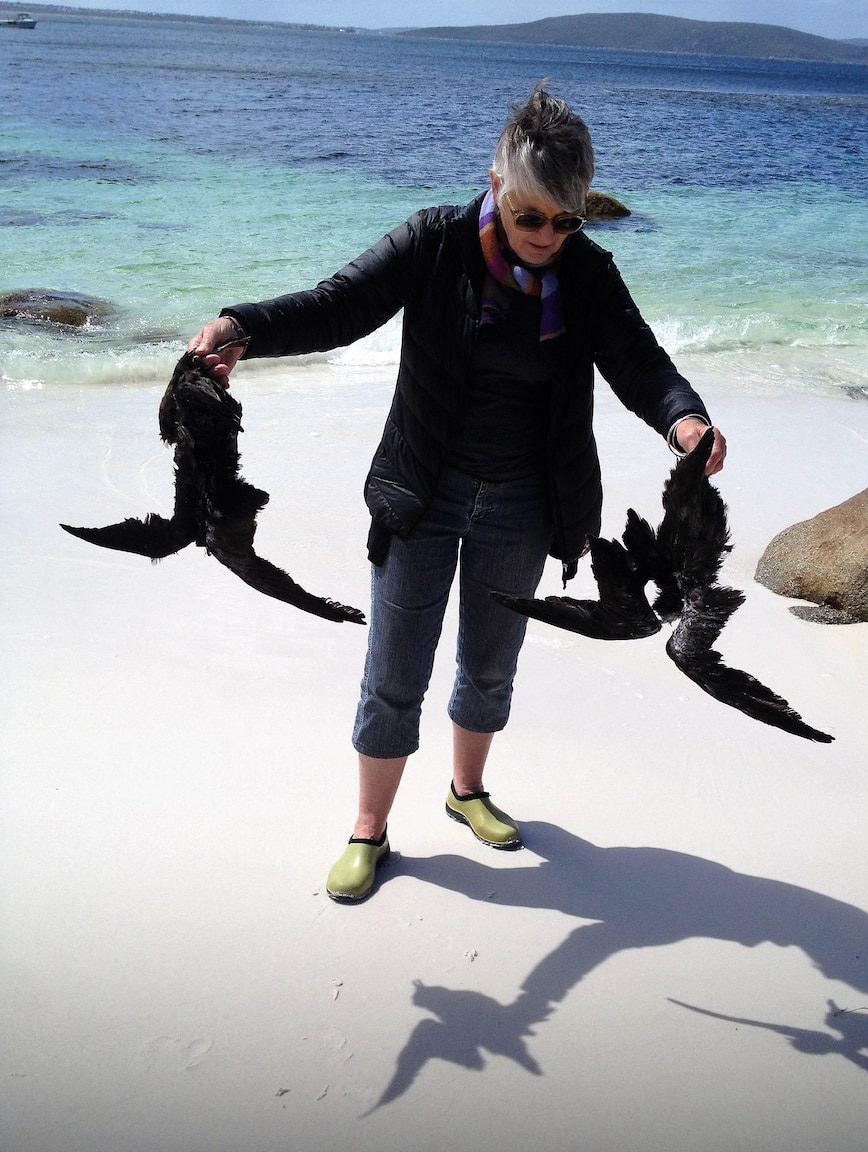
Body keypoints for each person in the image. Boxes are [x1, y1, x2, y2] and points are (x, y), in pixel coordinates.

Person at [189, 84, 727, 903]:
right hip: (422, 493)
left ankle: (466, 791)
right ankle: (369, 828)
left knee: (489, 665)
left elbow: (641, 365)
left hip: (523, 503)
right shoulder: (435, 242)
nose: (547, 235)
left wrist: (686, 421)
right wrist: (241, 327)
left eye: (566, 220)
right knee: (394, 667)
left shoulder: (586, 275)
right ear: (496, 187)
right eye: (530, 216)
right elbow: (337, 307)